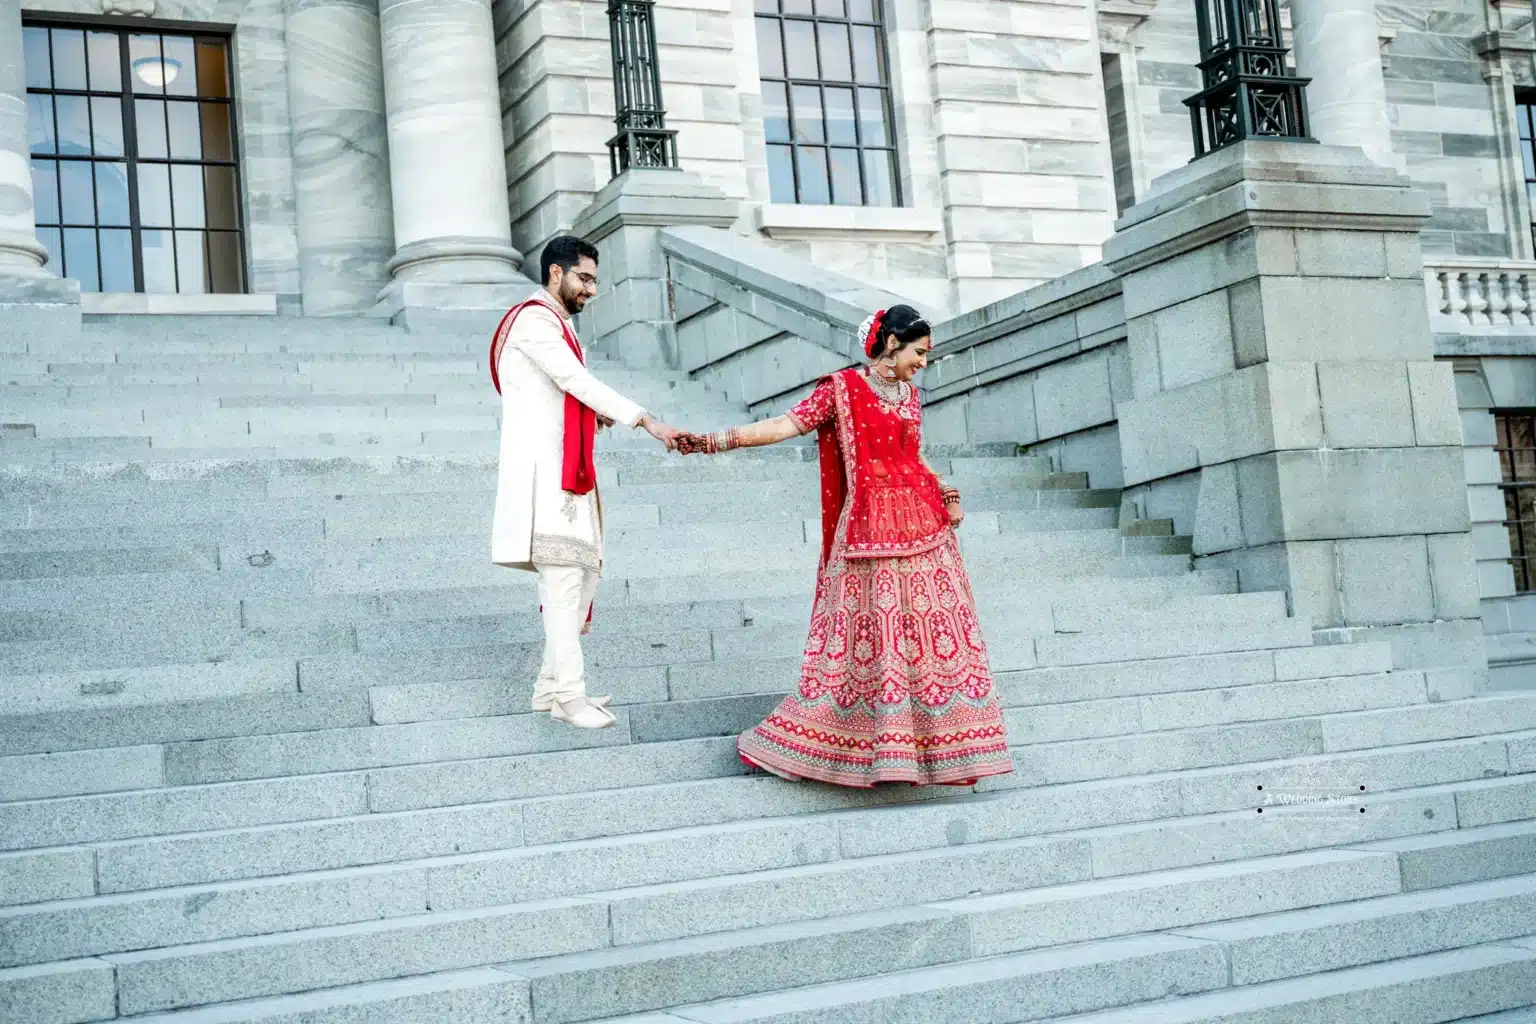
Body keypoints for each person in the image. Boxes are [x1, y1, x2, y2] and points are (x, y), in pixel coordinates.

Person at [675, 305, 1013, 787]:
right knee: (870, 644)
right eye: (919, 352)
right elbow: (783, 426)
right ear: (892, 342)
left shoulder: (911, 397)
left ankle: (930, 752)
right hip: (868, 535)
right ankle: (853, 747)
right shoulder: (841, 389)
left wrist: (948, 492)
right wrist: (713, 441)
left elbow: (913, 458)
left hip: (926, 528)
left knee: (930, 640)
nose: (924, 364)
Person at [490, 235, 681, 729]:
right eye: (585, 278)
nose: (592, 290)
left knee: (581, 576)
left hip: (565, 469)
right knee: (563, 579)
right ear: (556, 273)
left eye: (594, 279)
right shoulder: (534, 320)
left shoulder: (553, 323)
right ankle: (568, 697)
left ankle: (548, 688)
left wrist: (589, 416)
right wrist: (644, 419)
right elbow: (574, 380)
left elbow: (559, 390)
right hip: (543, 474)